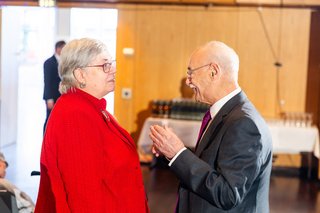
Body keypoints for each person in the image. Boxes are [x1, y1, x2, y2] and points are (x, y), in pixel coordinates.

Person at [150, 41, 273, 213]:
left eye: (191, 72)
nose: (188, 81)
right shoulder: (227, 113)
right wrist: (172, 152)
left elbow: (228, 194)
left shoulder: (244, 123)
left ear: (213, 71)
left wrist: (178, 153)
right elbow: (210, 164)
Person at [35, 38, 149, 212]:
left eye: (111, 64)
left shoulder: (89, 107)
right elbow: (83, 196)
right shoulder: (75, 115)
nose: (113, 70)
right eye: (104, 66)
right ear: (80, 75)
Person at [43, 40, 66, 133]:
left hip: (61, 95)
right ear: (58, 49)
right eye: (64, 48)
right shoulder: (48, 62)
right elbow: (47, 82)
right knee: (49, 119)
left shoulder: (64, 62)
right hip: (52, 96)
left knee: (59, 120)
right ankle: (45, 139)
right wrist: (49, 99)